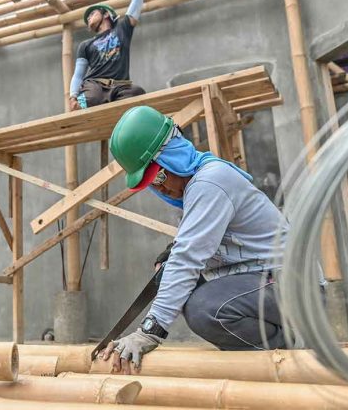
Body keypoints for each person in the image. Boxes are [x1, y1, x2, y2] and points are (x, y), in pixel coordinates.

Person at [102, 106, 289, 373]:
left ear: (173, 155)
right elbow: (192, 248)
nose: (161, 187)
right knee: (180, 283)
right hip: (264, 281)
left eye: (161, 175)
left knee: (206, 308)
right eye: (152, 183)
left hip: (291, 288)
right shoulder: (198, 187)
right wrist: (169, 259)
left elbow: (188, 258)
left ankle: (290, 350)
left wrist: (149, 331)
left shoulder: (210, 182)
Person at [68, 0, 146, 111]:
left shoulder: (122, 29)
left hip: (120, 86)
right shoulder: (85, 45)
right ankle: (82, 105)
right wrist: (72, 96)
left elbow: (136, 3)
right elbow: (78, 74)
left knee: (138, 93)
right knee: (92, 97)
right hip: (94, 85)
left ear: (106, 15)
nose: (89, 18)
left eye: (93, 14)